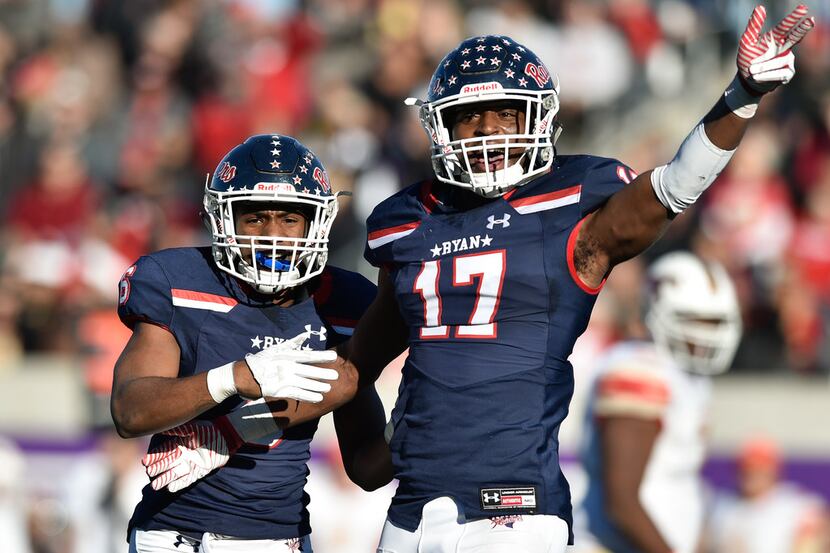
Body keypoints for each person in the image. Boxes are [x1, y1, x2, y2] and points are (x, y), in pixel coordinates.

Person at [150, 6, 817, 552]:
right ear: (440, 126)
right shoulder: (409, 222)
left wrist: (742, 97)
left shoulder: (569, 214)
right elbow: (353, 367)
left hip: (513, 512)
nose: (491, 131)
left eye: (506, 114)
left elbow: (669, 189)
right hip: (410, 509)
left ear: (540, 120)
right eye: (473, 117)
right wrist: (239, 430)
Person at [110, 133, 390, 552]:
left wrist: (418, 422)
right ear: (224, 220)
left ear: (317, 223)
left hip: (276, 536)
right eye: (255, 218)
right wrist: (231, 378)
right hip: (170, 536)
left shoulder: (345, 302)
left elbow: (368, 468)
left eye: (290, 219)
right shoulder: (178, 280)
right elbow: (130, 411)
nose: (272, 236)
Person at [573, 252, 742, 553]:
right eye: (694, 320)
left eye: (715, 322)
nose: (707, 334)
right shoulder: (639, 369)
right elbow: (622, 502)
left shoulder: (685, 376)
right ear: (658, 313)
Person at [706, 436, 830, 553]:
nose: (752, 475)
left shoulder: (794, 505)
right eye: (747, 468)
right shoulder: (722, 504)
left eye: (759, 468)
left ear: (772, 471)